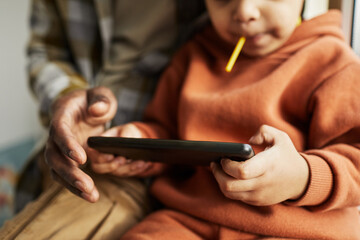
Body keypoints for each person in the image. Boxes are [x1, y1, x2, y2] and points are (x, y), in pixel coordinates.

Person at [81, 0, 360, 239]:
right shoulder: (191, 57)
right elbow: (164, 130)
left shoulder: (332, 62)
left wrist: (302, 176)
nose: (245, 12)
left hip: (296, 228)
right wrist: (138, 142)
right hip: (189, 220)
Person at [0, 0, 205, 239]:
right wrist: (67, 97)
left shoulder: (209, 45)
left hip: (150, 172)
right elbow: (46, 52)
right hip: (70, 154)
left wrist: (147, 140)